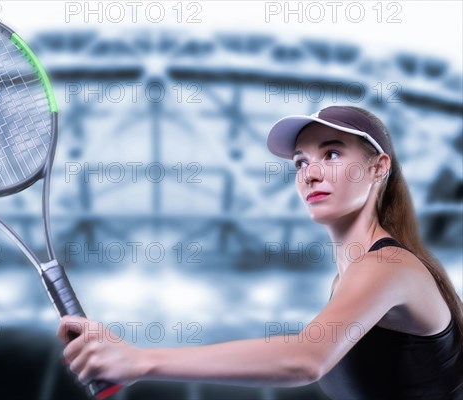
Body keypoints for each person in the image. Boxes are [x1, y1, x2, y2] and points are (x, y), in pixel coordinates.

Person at [58, 106, 463, 398]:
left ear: (378, 168)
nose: (311, 172)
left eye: (332, 153)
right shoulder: (348, 279)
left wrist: (140, 361)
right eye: (300, 162)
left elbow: (305, 358)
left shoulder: (388, 266)